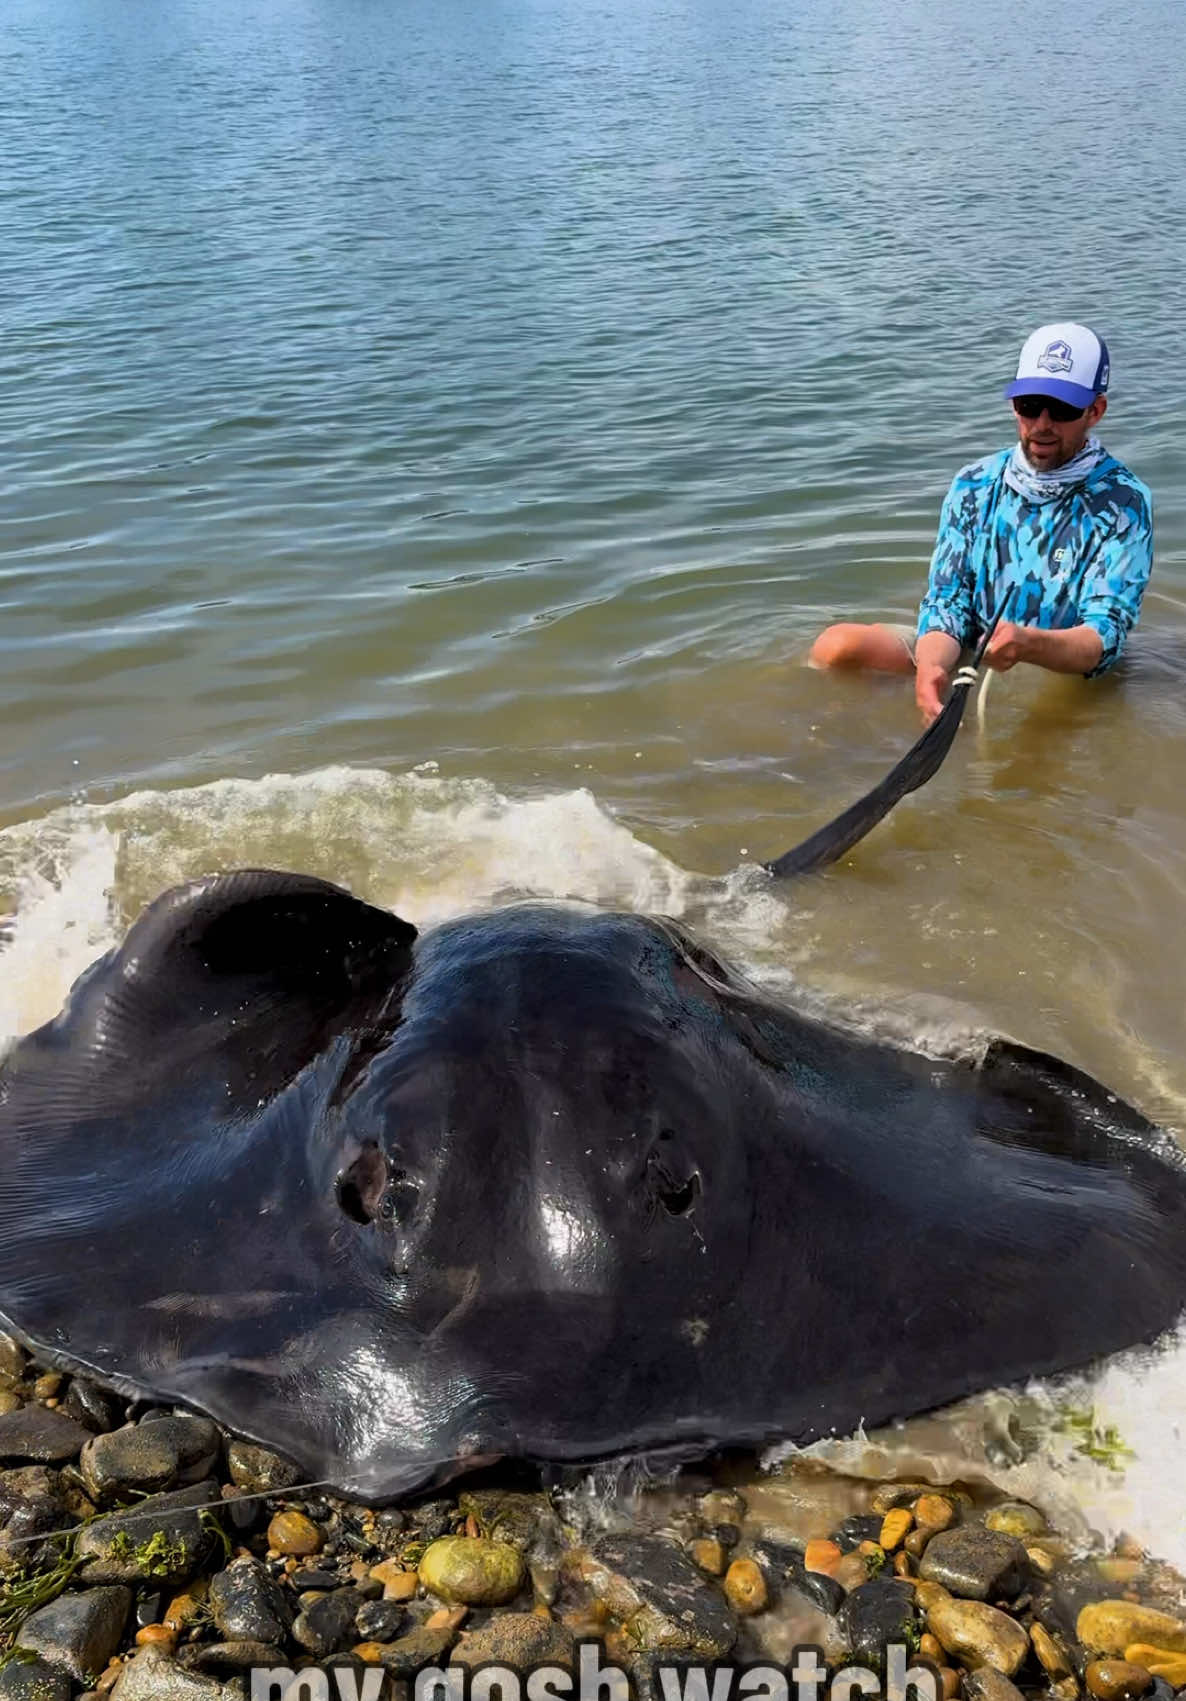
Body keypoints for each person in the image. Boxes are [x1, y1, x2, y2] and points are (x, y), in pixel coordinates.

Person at [809, 323, 1154, 722]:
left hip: (1061, 663)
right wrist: (933, 666)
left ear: (1095, 411)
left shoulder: (1125, 502)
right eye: (1029, 404)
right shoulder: (974, 484)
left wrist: (1030, 645)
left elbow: (1104, 635)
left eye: (1062, 409)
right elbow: (947, 601)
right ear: (1014, 405)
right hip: (969, 649)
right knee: (836, 647)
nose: (1042, 424)